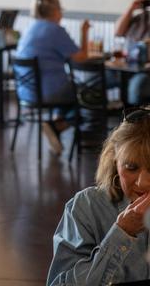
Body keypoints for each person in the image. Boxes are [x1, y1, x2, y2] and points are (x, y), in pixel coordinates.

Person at [47, 108, 150, 285]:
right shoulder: (86, 207)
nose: (142, 183)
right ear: (115, 161)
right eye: (131, 168)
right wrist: (121, 234)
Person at [14, 0, 89, 154]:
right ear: (55, 11)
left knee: (70, 90)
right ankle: (63, 128)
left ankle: (56, 127)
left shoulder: (30, 28)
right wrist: (84, 32)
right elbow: (81, 57)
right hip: (48, 93)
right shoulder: (55, 30)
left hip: (26, 92)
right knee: (89, 93)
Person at [114, 0, 150, 105]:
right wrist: (131, 8)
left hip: (145, 72)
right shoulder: (136, 19)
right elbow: (117, 32)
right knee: (97, 79)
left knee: (135, 89)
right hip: (123, 68)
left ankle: (135, 118)